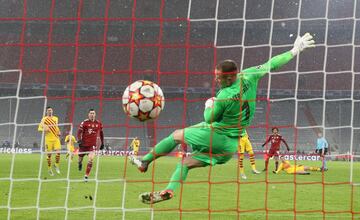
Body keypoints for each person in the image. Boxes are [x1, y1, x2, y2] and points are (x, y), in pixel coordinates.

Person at [130, 33, 315, 204]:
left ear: (229, 78)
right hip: (229, 148)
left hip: (217, 135)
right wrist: (294, 50)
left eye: (219, 77)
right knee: (185, 164)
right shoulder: (249, 76)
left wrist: (209, 104)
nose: (216, 80)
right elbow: (271, 64)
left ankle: (144, 162)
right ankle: (169, 191)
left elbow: (209, 118)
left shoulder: (223, 96)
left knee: (176, 135)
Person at [77, 109, 104, 182]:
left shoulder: (98, 123)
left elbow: (101, 134)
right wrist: (79, 140)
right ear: (88, 114)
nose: (92, 114)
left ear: (95, 115)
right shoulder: (84, 122)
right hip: (83, 145)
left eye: (93, 113)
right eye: (91, 113)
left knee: (91, 159)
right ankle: (80, 164)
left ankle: (86, 176)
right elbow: (79, 132)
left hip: (92, 146)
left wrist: (102, 143)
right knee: (79, 160)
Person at [38, 106, 61, 176]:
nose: (50, 112)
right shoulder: (44, 119)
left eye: (51, 110)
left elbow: (56, 127)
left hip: (56, 138)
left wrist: (59, 131)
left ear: (52, 111)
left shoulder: (56, 118)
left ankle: (56, 165)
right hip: (48, 140)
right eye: (48, 111)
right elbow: (39, 128)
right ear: (46, 112)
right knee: (49, 155)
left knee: (58, 152)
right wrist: (44, 129)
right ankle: (49, 169)